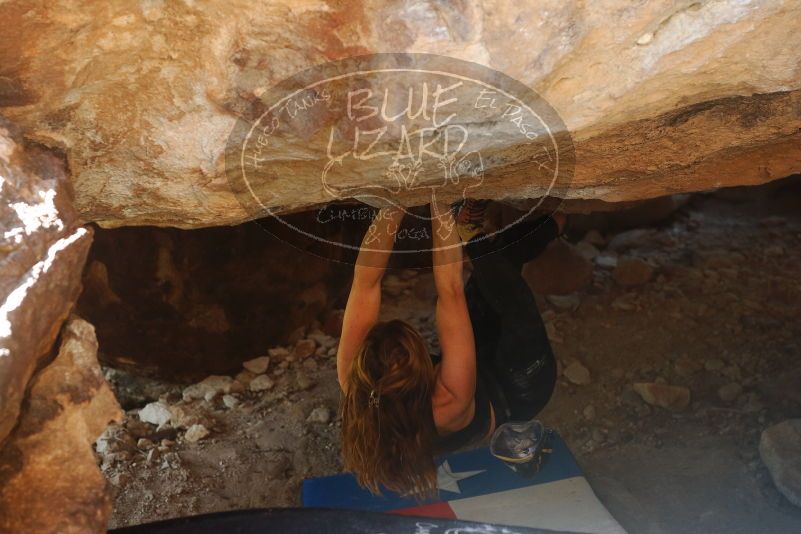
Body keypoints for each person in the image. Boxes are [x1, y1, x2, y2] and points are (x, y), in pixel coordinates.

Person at [336, 200, 564, 499]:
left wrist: (393, 204)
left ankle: (556, 225)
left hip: (470, 373)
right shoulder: (447, 403)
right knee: (512, 302)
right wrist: (442, 203)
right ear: (421, 373)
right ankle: (472, 232)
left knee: (494, 268)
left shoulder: (355, 375)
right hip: (516, 391)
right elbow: (449, 290)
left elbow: (366, 282)